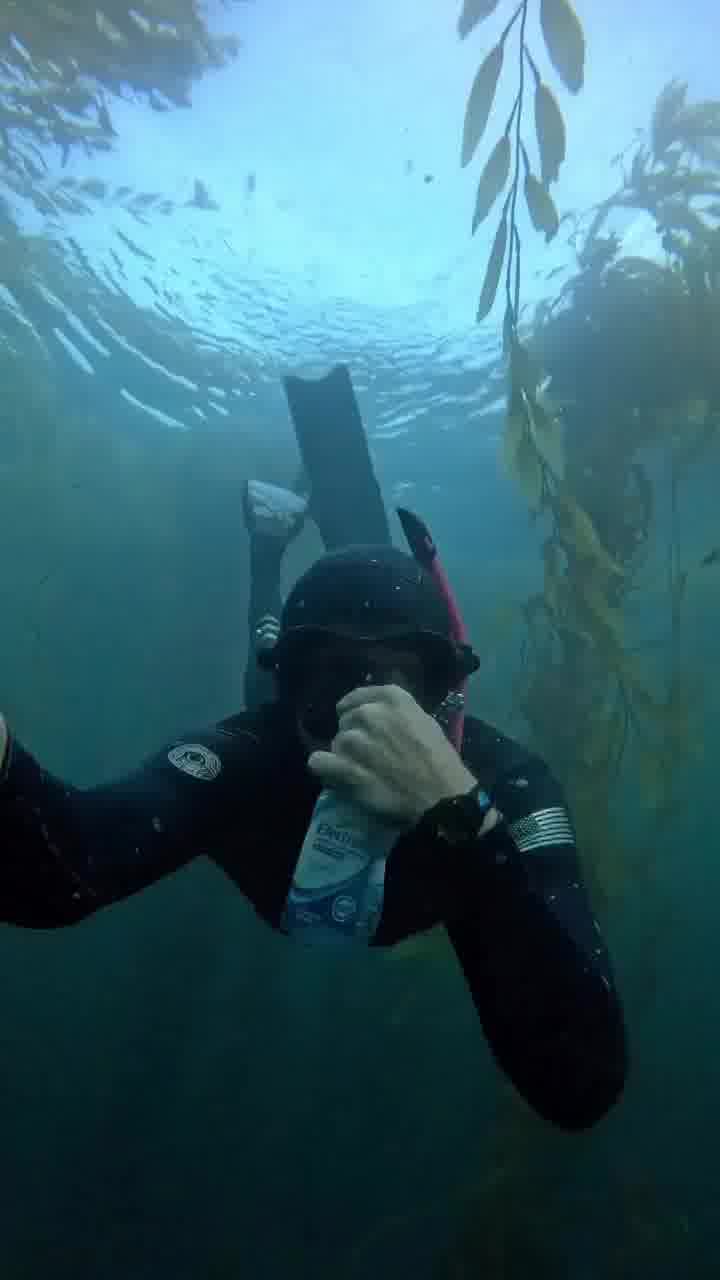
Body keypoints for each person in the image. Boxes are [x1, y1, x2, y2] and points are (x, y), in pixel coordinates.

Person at [0, 477, 628, 1133]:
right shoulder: (252, 753)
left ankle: (279, 552)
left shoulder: (506, 782)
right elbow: (62, 870)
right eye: (332, 683)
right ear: (293, 688)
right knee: (262, 652)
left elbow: (580, 1083)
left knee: (281, 652)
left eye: (397, 690)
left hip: (440, 802)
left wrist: (461, 818)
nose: (365, 724)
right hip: (281, 729)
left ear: (443, 698)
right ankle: (267, 548)